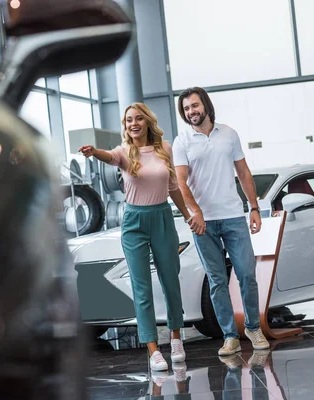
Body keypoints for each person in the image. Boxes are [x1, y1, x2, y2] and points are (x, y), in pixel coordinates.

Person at [79, 103, 193, 371]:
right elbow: (109, 157)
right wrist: (94, 152)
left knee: (170, 281)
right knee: (141, 288)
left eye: (138, 118)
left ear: (147, 122)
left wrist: (188, 215)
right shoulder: (123, 152)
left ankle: (176, 337)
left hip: (163, 218)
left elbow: (174, 187)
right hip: (134, 223)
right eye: (129, 119)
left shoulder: (165, 149)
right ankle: (152, 349)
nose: (133, 123)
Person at [172, 86, 270, 356]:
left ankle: (252, 327)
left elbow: (244, 172)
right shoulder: (182, 142)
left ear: (206, 105)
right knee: (217, 281)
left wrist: (254, 208)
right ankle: (230, 336)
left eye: (195, 105)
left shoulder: (229, 134)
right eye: (186, 108)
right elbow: (180, 182)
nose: (191, 111)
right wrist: (196, 212)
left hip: (233, 217)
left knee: (247, 275)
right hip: (203, 224)